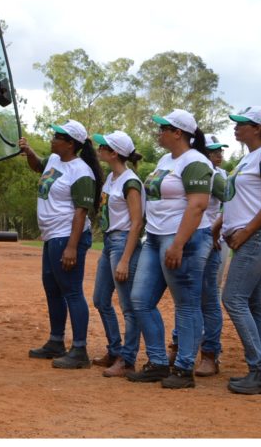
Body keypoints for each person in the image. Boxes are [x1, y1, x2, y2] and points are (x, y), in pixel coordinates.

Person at [125, 109, 213, 389]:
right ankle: (159, 363)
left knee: (186, 305)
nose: (159, 131)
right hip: (154, 237)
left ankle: (184, 368)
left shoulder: (196, 162)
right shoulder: (166, 159)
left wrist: (178, 244)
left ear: (178, 133)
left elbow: (197, 205)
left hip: (181, 239)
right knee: (139, 300)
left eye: (164, 128)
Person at [19, 119, 103, 369]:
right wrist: (29, 151)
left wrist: (72, 247)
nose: (52, 139)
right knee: (52, 288)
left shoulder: (81, 172)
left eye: (58, 136)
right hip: (52, 236)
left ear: (70, 144)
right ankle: (56, 341)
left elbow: (81, 212)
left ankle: (80, 350)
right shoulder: (55, 161)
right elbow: (37, 166)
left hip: (67, 236)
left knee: (72, 291)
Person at [219, 106, 261, 395]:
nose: (235, 127)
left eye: (241, 124)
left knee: (232, 298)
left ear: (257, 128)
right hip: (253, 237)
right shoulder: (249, 158)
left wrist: (246, 231)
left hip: (259, 236)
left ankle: (260, 369)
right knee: (259, 306)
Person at [170, 133, 232, 377]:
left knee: (207, 297)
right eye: (213, 149)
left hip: (206, 239)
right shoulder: (183, 166)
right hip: (185, 237)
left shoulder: (216, 175)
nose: (218, 154)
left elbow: (233, 203)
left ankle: (209, 354)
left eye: (220, 150)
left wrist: (216, 231)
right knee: (184, 297)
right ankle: (180, 346)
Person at [89, 130, 145, 377]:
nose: (99, 148)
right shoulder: (112, 178)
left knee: (128, 305)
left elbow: (137, 222)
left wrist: (125, 260)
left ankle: (128, 358)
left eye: (104, 147)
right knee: (101, 299)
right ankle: (115, 349)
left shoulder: (130, 182)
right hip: (111, 241)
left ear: (114, 153)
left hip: (123, 242)